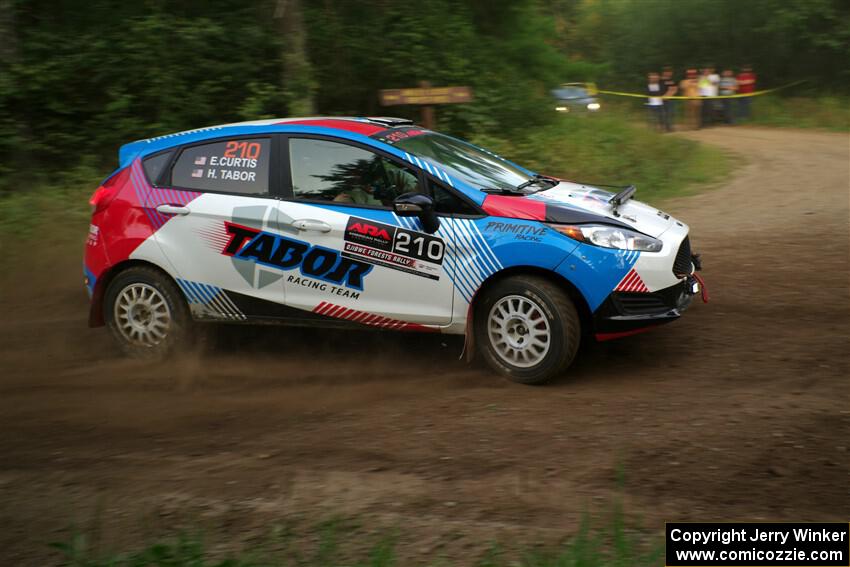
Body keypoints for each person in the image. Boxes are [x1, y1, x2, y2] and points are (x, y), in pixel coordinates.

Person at [661, 66, 678, 132]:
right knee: (663, 114)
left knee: (671, 113)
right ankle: (665, 127)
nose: (667, 73)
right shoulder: (660, 80)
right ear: (663, 73)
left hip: (671, 100)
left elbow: (674, 90)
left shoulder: (673, 81)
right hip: (661, 100)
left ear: (671, 73)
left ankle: (670, 127)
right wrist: (662, 97)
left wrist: (666, 96)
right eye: (666, 72)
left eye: (669, 72)